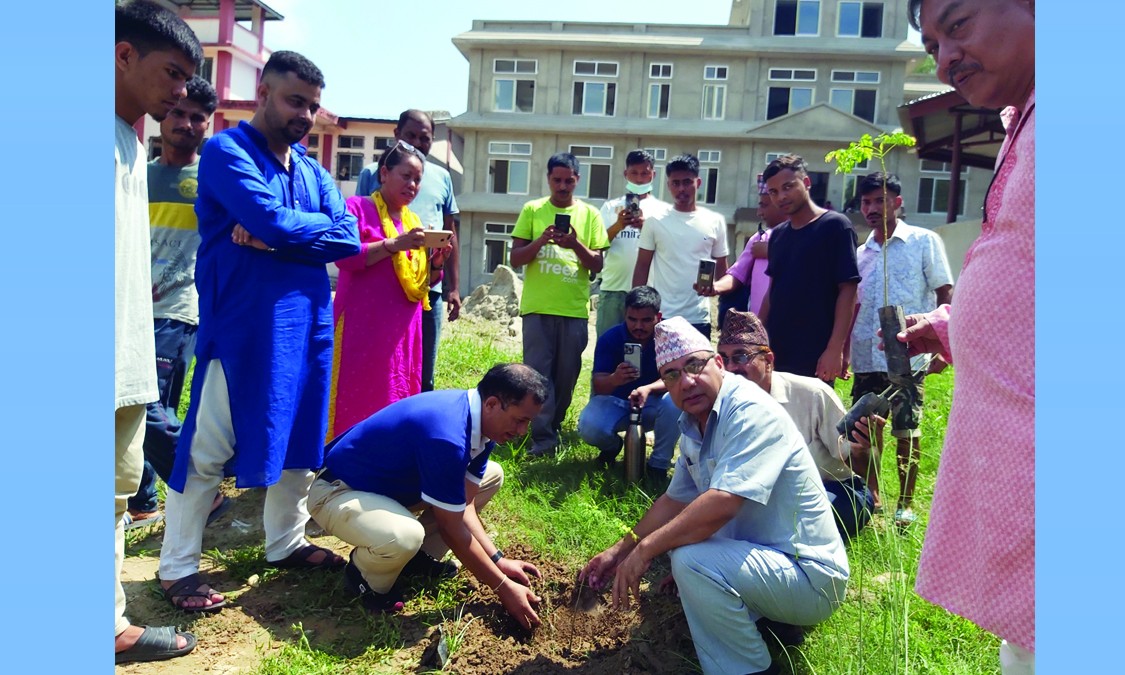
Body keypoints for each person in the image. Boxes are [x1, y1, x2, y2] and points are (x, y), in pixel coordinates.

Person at [158, 51, 362, 612]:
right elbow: (274, 220)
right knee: (208, 447)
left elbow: (349, 237)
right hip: (246, 325)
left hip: (309, 324)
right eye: (296, 100)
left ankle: (286, 542)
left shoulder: (312, 169)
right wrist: (288, 232)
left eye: (314, 106)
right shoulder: (226, 152)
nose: (306, 114)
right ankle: (177, 568)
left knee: (302, 437)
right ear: (263, 94)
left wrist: (279, 239)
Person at [580, 316, 849, 675]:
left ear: (718, 364)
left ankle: (747, 668)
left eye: (694, 365)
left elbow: (723, 502)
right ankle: (766, 622)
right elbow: (674, 501)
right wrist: (619, 550)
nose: (686, 381)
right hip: (770, 562)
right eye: (672, 374)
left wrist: (645, 551)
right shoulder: (694, 421)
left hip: (810, 577)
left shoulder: (749, 410)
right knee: (687, 553)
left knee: (691, 560)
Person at [900, 1, 1035, 672]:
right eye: (930, 45)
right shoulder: (1030, 117)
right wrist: (958, 327)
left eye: (957, 25)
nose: (944, 57)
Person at [309, 364, 548, 629]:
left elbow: (464, 504)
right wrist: (503, 588)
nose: (523, 431)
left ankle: (415, 560)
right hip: (337, 491)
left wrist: (498, 560)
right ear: (492, 404)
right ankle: (364, 575)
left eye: (528, 422)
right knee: (404, 535)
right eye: (520, 420)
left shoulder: (480, 426)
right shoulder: (447, 434)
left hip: (387, 488)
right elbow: (451, 526)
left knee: (491, 476)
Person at [114, 0, 201, 663]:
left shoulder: (130, 143)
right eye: (172, 75)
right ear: (123, 55)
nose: (181, 96)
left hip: (139, 341)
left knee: (115, 488)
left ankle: (108, 621)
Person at [124, 76, 231, 532]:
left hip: (180, 309)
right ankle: (143, 499)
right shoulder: (137, 174)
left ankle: (201, 491)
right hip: (129, 308)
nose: (186, 123)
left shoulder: (211, 178)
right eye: (179, 113)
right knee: (140, 405)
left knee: (150, 408)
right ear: (161, 114)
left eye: (197, 118)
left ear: (207, 125)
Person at [848, 172, 953, 526]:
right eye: (866, 202)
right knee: (865, 428)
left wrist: (941, 344)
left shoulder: (924, 241)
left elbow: (944, 292)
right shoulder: (862, 253)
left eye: (880, 200)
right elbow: (855, 305)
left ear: (897, 201)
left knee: (906, 430)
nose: (872, 208)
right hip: (866, 355)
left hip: (909, 355)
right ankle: (872, 496)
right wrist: (845, 352)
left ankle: (905, 505)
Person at [328, 140, 451, 439]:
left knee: (393, 396)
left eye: (418, 179)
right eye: (406, 176)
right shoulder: (356, 208)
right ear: (384, 173)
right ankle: (335, 464)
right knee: (355, 395)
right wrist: (393, 245)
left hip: (402, 333)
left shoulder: (415, 223)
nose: (412, 184)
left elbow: (418, 284)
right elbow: (344, 257)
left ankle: (383, 460)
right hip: (362, 328)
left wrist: (436, 264)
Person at [718, 309, 874, 540]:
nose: (731, 368)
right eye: (724, 359)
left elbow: (858, 463)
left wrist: (869, 448)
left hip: (832, 489)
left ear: (768, 360)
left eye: (741, 357)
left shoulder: (813, 394)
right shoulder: (722, 400)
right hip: (762, 496)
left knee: (817, 516)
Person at [510, 152, 610, 456]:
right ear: (548, 179)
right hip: (538, 308)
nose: (563, 186)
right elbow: (515, 259)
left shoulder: (590, 215)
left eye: (569, 180)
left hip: (573, 309)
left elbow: (598, 263)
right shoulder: (532, 209)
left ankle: (553, 425)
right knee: (538, 376)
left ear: (577, 180)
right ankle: (542, 439)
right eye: (557, 180)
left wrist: (574, 243)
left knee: (566, 378)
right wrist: (541, 240)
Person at [355, 110, 461, 392]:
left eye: (423, 138)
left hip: (427, 289)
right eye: (409, 135)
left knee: (419, 372)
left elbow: (451, 230)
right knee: (375, 367)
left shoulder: (442, 177)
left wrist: (452, 284)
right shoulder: (370, 175)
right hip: (380, 289)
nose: (416, 143)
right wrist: (396, 244)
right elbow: (353, 242)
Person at [759, 154, 860, 382]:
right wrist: (756, 335)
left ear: (806, 183)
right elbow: (772, 291)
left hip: (815, 351)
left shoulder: (836, 226)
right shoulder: (778, 235)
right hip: (776, 348)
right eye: (773, 192)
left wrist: (835, 349)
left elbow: (848, 290)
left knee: (813, 415)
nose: (781, 196)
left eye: (788, 187)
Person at [578, 286, 680, 479]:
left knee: (675, 402)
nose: (638, 326)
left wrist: (648, 389)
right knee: (588, 427)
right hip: (617, 402)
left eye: (646, 320)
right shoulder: (611, 338)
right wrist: (614, 379)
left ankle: (658, 465)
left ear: (658, 316)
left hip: (653, 404)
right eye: (632, 319)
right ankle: (612, 446)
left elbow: (677, 376)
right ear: (625, 314)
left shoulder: (670, 337)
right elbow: (599, 386)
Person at [632, 154, 728, 339]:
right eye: (675, 183)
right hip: (662, 316)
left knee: (698, 369)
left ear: (698, 182)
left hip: (699, 318)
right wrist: (636, 308)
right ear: (668, 185)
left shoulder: (715, 221)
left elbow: (723, 271)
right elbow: (642, 266)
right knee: (661, 368)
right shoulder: (654, 221)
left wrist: (718, 293)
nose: (681, 188)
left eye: (687, 182)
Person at [595, 149, 669, 338]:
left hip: (650, 291)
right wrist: (619, 225)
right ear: (625, 174)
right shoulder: (610, 207)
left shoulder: (664, 210)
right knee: (609, 343)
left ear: (653, 174)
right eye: (634, 173)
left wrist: (647, 227)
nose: (639, 179)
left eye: (644, 173)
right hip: (613, 289)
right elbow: (598, 244)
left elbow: (669, 248)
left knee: (648, 348)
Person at [710, 175, 788, 317]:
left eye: (764, 205)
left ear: (781, 203)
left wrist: (770, 251)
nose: (759, 212)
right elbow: (737, 275)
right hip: (757, 330)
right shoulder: (758, 239)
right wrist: (715, 287)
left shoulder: (804, 238)